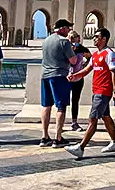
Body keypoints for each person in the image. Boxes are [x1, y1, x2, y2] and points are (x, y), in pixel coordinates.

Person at [65, 28, 115, 158]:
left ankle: (81, 147)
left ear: (104, 39)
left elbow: (114, 73)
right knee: (106, 116)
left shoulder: (110, 54)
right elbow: (87, 70)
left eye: (97, 36)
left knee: (93, 119)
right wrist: (75, 76)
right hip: (96, 90)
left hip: (104, 91)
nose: (94, 38)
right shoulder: (95, 55)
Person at [40, 19, 77, 148]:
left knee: (46, 106)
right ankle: (58, 138)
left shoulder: (46, 41)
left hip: (45, 76)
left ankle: (44, 137)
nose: (69, 31)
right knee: (61, 107)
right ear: (61, 29)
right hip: (59, 76)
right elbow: (73, 60)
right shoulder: (64, 41)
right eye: (67, 28)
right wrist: (74, 52)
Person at [67, 30, 92, 132]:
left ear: (78, 38)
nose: (73, 40)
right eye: (71, 38)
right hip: (67, 78)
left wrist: (84, 67)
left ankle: (74, 122)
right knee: (63, 101)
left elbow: (90, 58)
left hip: (78, 79)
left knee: (75, 101)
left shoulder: (82, 49)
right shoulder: (66, 49)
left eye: (75, 37)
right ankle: (60, 122)